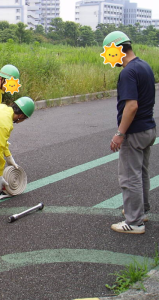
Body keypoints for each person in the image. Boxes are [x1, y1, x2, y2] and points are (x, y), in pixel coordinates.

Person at [103, 31, 156, 234]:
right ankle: (140, 212)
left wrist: (119, 133)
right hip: (148, 129)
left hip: (134, 132)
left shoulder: (127, 72)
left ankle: (134, 222)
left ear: (117, 49)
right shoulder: (144, 66)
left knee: (129, 176)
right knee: (141, 173)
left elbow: (131, 106)